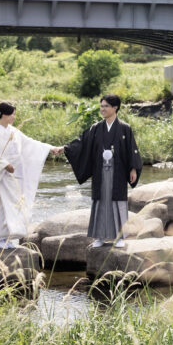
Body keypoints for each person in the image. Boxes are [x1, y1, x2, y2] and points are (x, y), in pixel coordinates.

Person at [0, 102, 63, 249]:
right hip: (0, 175)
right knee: (0, 205)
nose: (14, 117)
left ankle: (8, 237)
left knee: (13, 205)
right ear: (4, 115)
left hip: (14, 176)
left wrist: (50, 148)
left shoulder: (14, 131)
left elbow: (30, 144)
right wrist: (5, 164)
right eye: (12, 114)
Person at [63, 94, 142, 248]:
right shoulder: (96, 128)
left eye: (106, 106)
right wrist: (65, 148)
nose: (102, 109)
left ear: (115, 107)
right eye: (101, 106)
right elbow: (81, 142)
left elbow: (132, 149)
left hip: (118, 170)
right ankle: (100, 237)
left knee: (117, 201)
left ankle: (119, 237)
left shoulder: (125, 128)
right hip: (100, 170)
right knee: (101, 202)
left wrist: (133, 168)